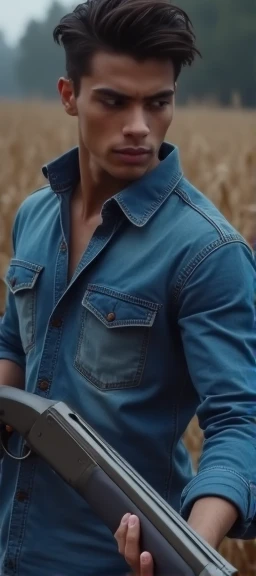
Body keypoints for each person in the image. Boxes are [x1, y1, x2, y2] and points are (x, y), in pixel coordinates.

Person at [0, 1, 256, 575]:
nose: (138, 125)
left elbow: (240, 422)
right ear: (70, 95)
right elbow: (15, 345)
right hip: (11, 548)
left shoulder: (208, 253)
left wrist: (187, 550)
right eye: (115, 101)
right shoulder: (36, 216)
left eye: (158, 102)